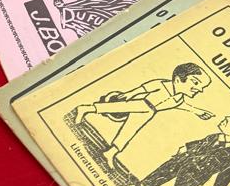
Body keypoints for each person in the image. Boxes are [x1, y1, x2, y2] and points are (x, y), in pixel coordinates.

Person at [72, 62, 214, 169]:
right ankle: (85, 108)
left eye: (202, 87)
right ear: (178, 79)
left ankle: (111, 152)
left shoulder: (178, 99)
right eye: (196, 82)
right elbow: (144, 88)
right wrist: (130, 94)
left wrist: (198, 111)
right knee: (113, 107)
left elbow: (184, 106)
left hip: (148, 112)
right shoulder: (162, 84)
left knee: (129, 132)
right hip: (142, 104)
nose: (199, 89)